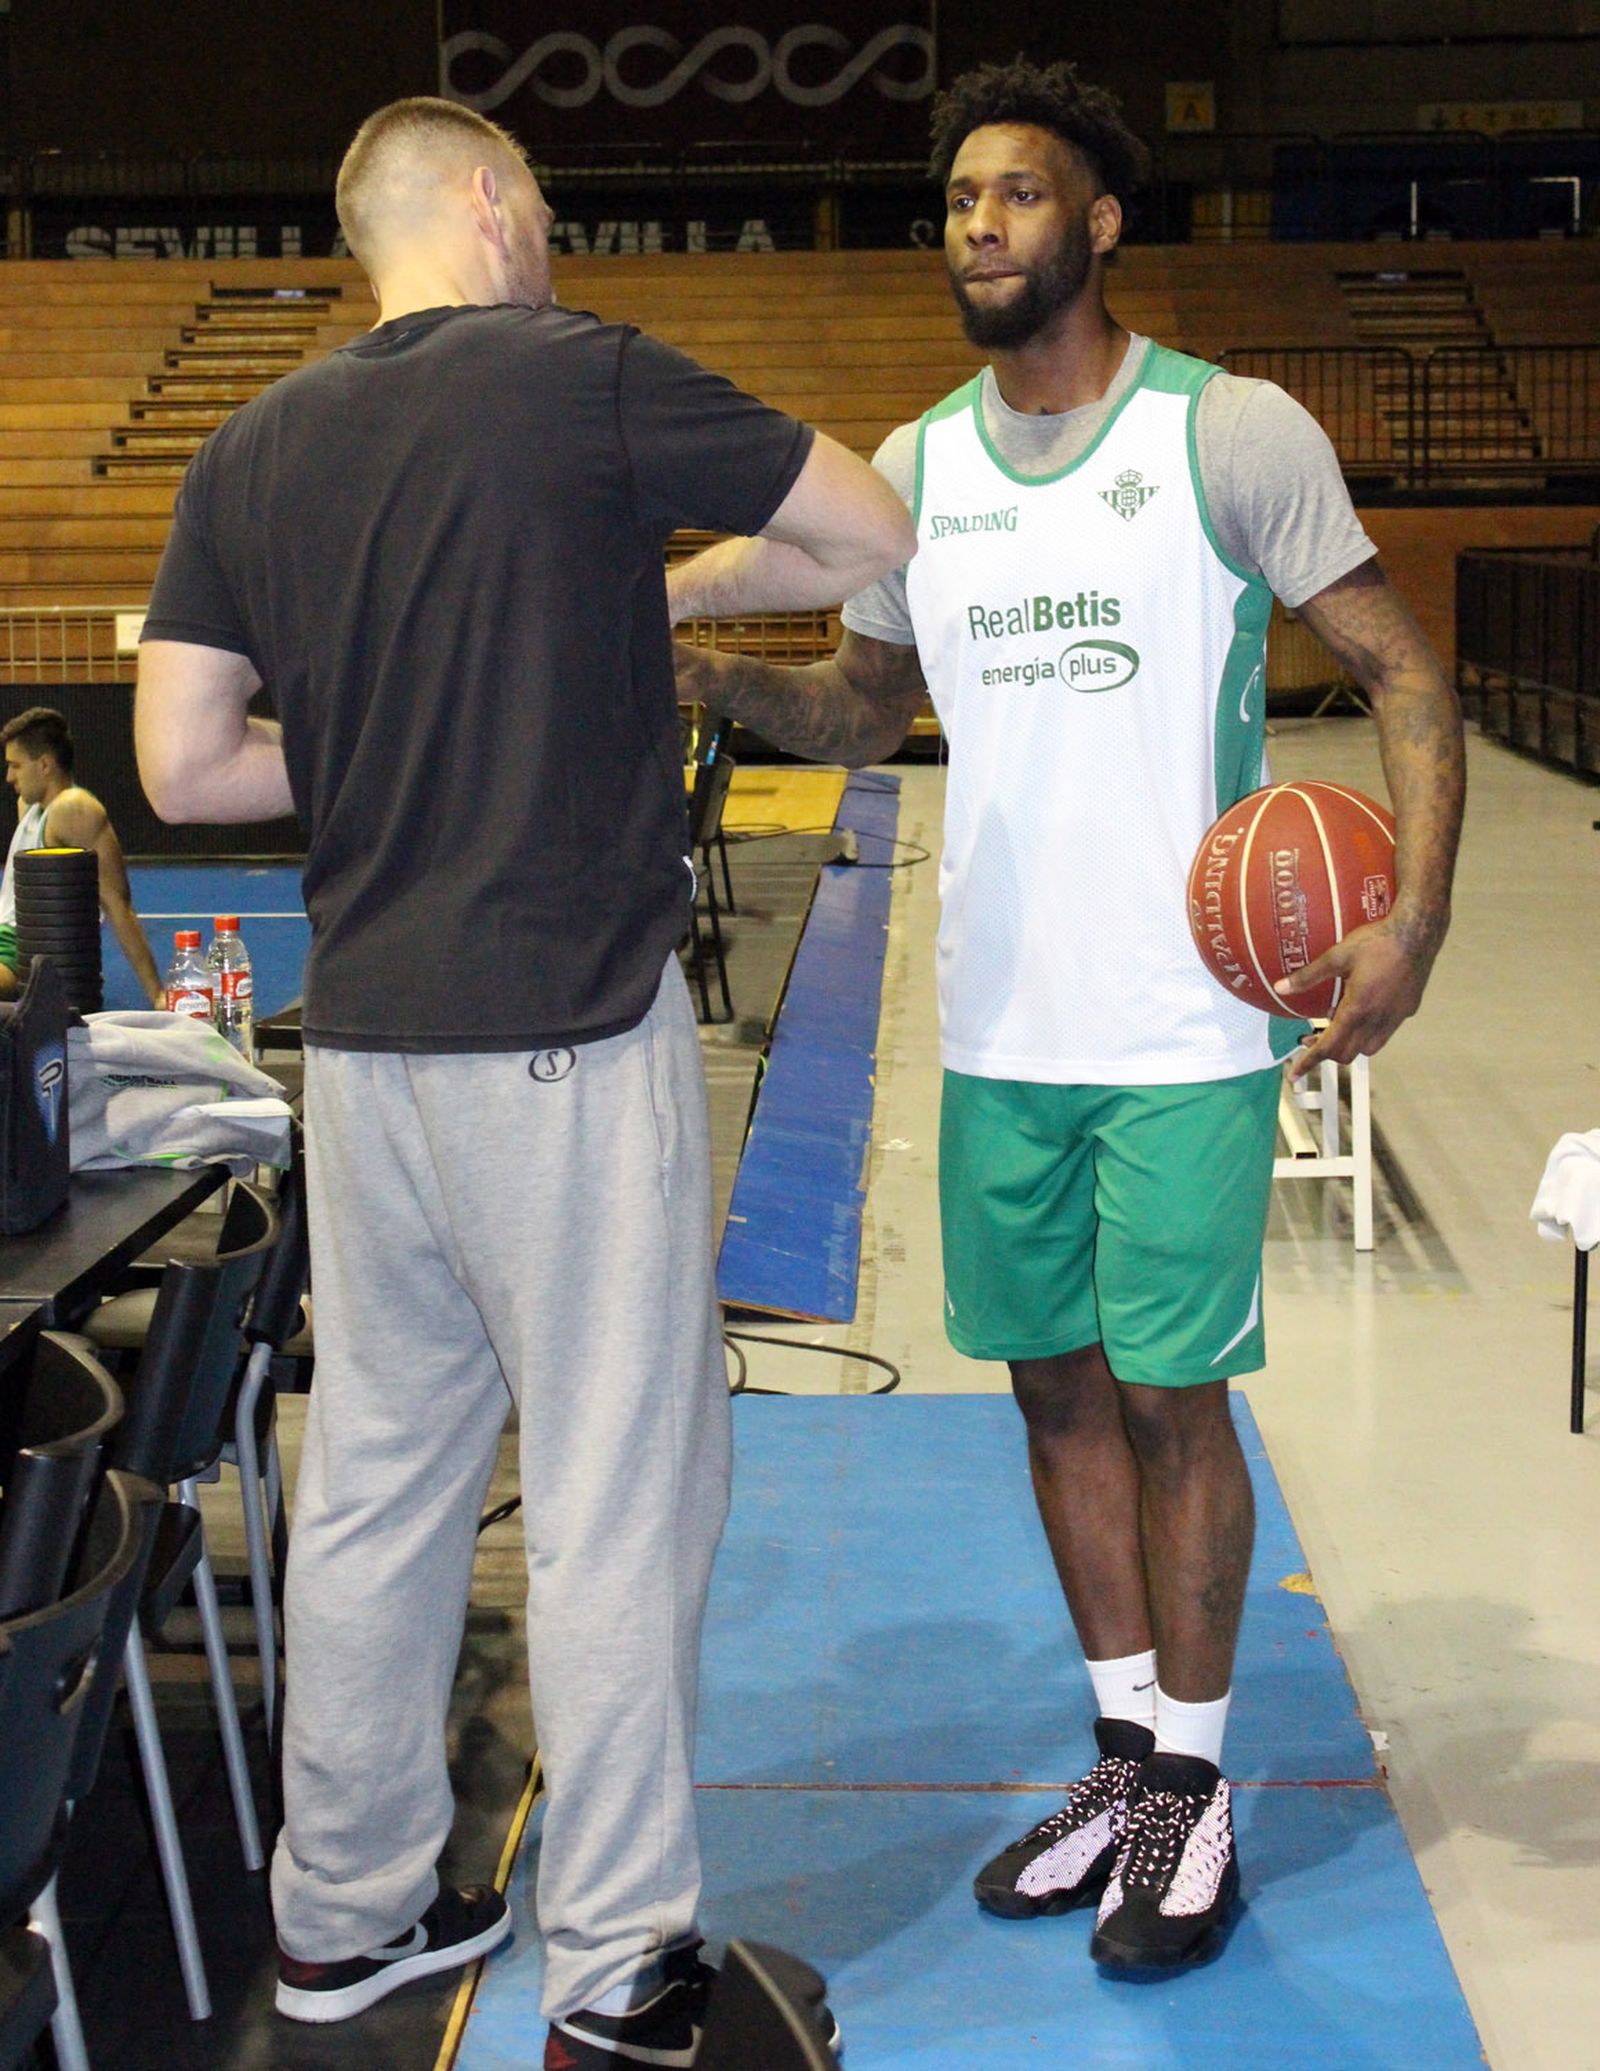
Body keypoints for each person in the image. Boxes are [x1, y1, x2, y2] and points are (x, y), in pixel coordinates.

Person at [134, 96, 912, 2066]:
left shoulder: (250, 447)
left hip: (370, 1071)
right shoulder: (578, 378)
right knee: (614, 1494)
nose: (550, 245)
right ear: (489, 206)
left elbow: (187, 771)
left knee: (385, 1490)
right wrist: (639, 605)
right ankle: (623, 1968)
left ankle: (344, 1921)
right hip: (561, 1044)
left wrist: (404, 723)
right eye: (545, 214)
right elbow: (865, 529)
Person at [670, 56, 1464, 1972]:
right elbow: (863, 713)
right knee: (1050, 1391)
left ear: (1098, 221)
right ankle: (1123, 1754)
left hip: (1185, 1028)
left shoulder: (1225, 433)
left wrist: (1414, 917)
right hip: (998, 1027)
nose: (978, 227)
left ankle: (1195, 1785)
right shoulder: (919, 473)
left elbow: (1405, 671)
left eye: (1015, 195)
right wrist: (696, 668)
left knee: (1175, 1399)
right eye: (954, 200)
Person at [1, 705, 164, 1005]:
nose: (9, 776)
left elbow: (117, 902)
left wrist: (157, 994)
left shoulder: (74, 809)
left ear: (45, 765)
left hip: (15, 948)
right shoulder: (29, 806)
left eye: (16, 765)